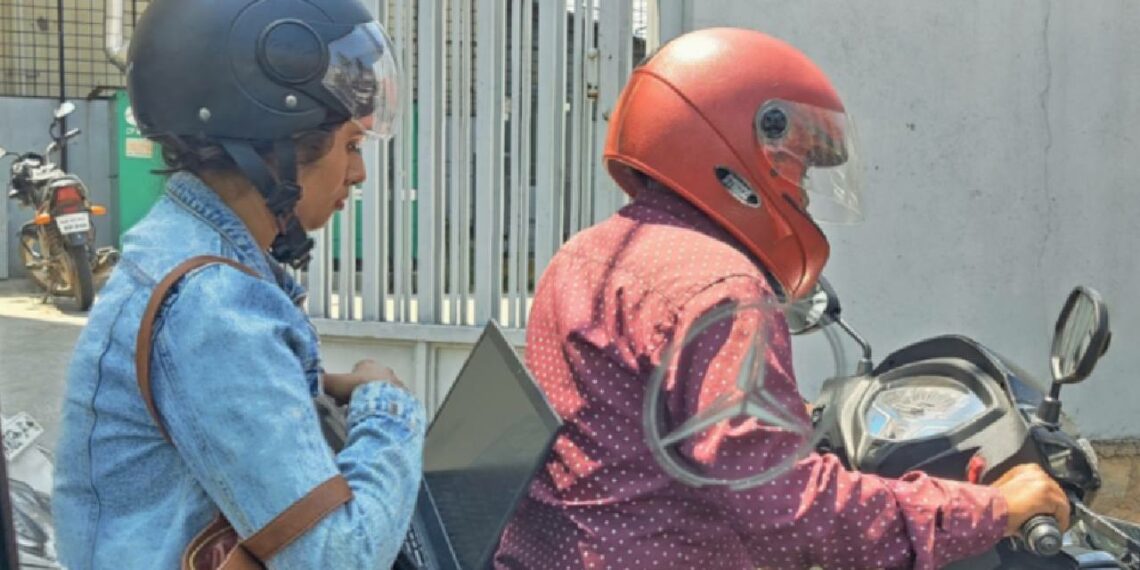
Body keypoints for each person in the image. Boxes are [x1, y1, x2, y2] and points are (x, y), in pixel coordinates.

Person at [494, 28, 1070, 570]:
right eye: (793, 164)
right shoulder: (722, 290)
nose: (801, 192)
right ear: (729, 150)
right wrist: (986, 509)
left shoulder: (585, 255)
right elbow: (787, 511)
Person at [51, 0, 423, 568]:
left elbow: (198, 395)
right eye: (350, 145)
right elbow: (338, 557)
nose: (359, 172)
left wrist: (317, 386)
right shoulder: (211, 305)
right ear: (272, 148)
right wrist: (388, 404)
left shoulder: (190, 256)